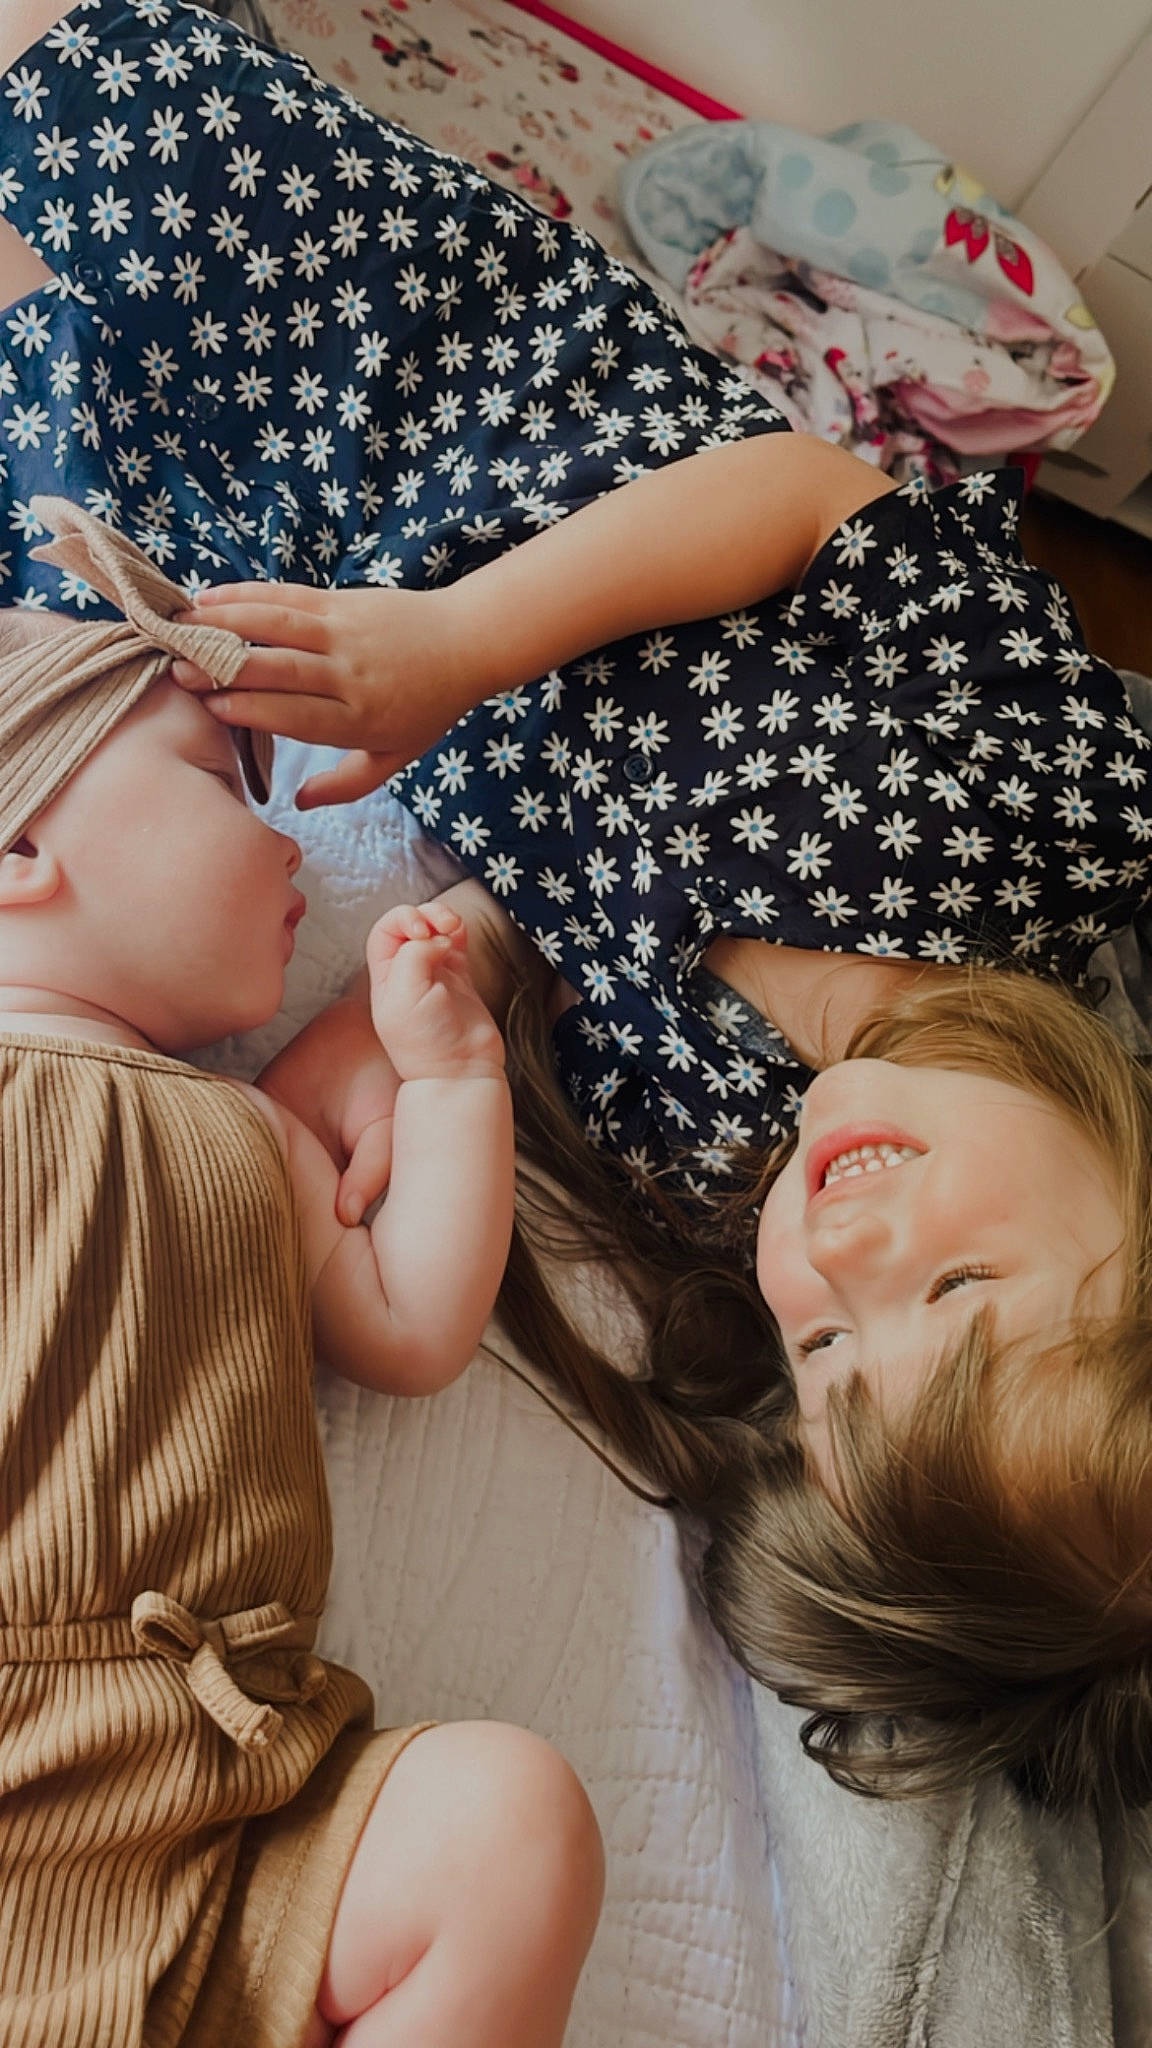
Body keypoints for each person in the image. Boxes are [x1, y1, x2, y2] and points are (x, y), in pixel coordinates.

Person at [3, 0, 1152, 1816]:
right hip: (458, 385)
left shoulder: (721, 1137)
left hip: (285, 577)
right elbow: (802, 496)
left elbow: (557, 924)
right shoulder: (1053, 830)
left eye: (835, 1359)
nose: (844, 1267)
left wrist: (392, 1031)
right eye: (965, 1289)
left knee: (41, 499)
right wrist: (459, 641)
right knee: (103, 116)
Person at [0, 497, 603, 2046]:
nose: (287, 836)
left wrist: (459, 1085)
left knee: (507, 1828)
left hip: (225, 1796)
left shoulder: (256, 1143)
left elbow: (410, 1327)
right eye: (223, 783)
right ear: (17, 851)